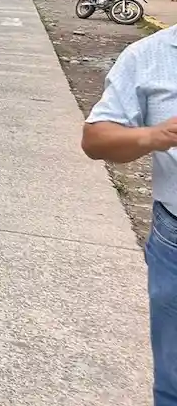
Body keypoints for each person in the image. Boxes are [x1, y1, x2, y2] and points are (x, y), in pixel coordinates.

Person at [81, 24, 177, 406]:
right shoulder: (148, 56)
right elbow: (95, 139)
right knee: (173, 380)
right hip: (175, 244)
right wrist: (157, 136)